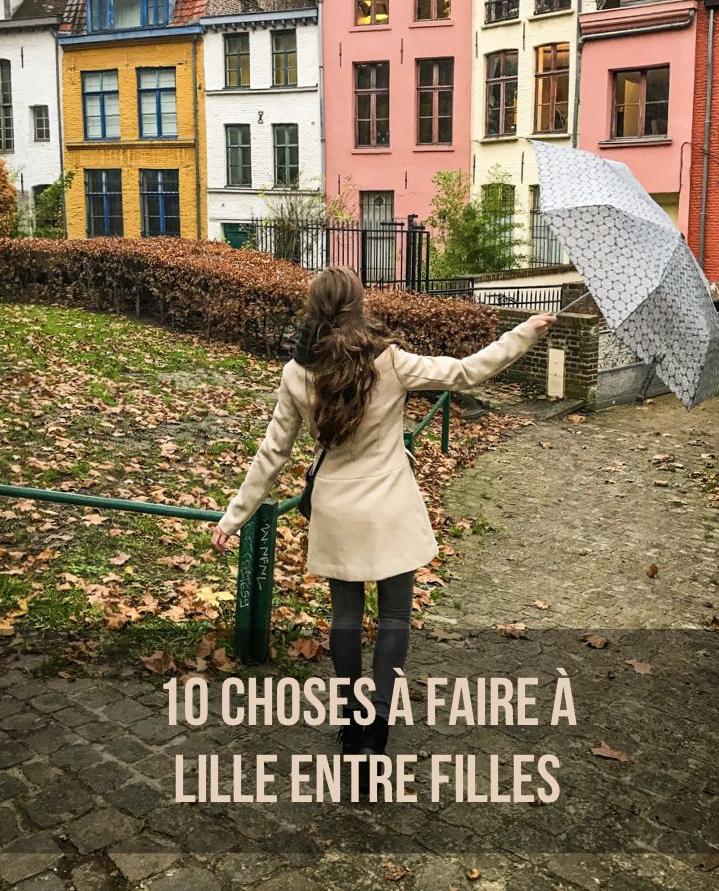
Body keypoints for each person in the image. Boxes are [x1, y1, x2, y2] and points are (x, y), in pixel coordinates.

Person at [211, 266, 555, 777]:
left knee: (346, 619)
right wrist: (524, 332)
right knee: (394, 617)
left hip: (338, 510)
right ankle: (378, 734)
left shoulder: (296, 372)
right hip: (391, 506)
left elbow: (273, 452)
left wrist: (233, 516)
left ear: (313, 308)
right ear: (357, 305)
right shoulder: (390, 362)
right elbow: (466, 372)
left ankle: (353, 721)